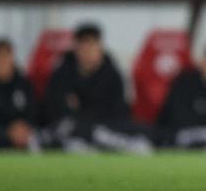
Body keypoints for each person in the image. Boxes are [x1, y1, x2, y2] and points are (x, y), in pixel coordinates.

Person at [45, 23, 152, 153]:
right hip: (74, 128)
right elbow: (56, 108)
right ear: (75, 48)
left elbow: (118, 111)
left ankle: (105, 141)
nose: (88, 52)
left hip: (106, 126)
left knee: (136, 128)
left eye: (92, 46)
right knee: (66, 127)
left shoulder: (113, 74)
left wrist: (83, 111)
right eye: (83, 47)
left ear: (100, 47)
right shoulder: (62, 73)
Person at [0, 40, 39, 153]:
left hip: (23, 133)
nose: (3, 61)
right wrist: (6, 131)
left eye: (7, 55)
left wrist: (24, 127)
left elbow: (34, 111)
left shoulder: (22, 83)